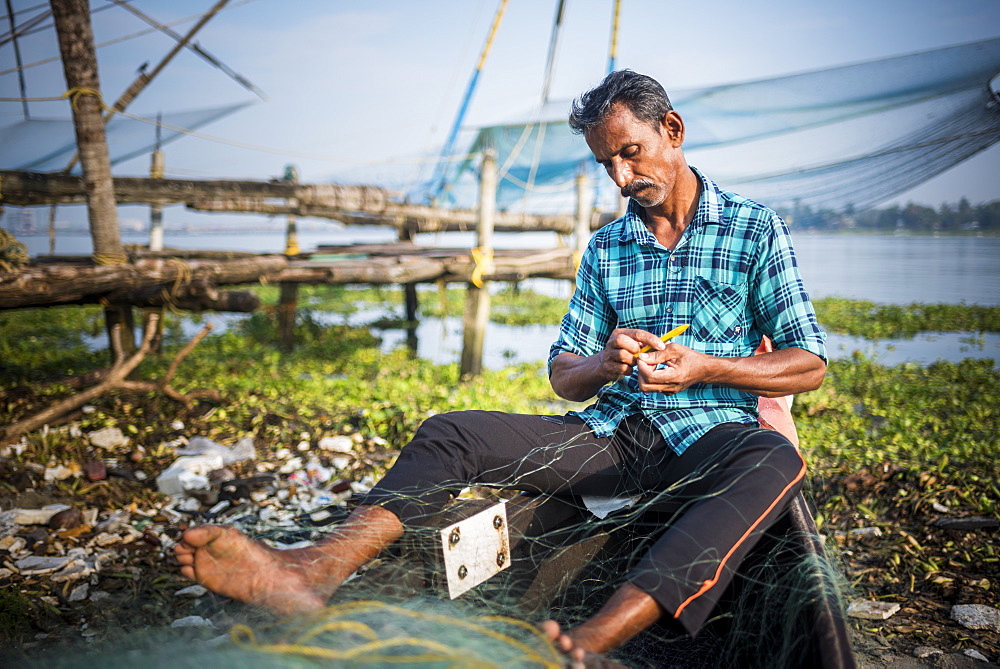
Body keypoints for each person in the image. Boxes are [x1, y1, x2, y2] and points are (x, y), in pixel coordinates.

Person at [175, 70, 827, 664]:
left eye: (630, 152)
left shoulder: (753, 229)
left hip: (710, 440)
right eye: (608, 163)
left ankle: (596, 635)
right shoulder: (607, 247)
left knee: (775, 459)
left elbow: (808, 362)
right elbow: (562, 371)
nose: (622, 177)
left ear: (672, 130)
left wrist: (705, 365)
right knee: (451, 432)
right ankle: (312, 569)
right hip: (614, 439)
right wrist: (602, 362)